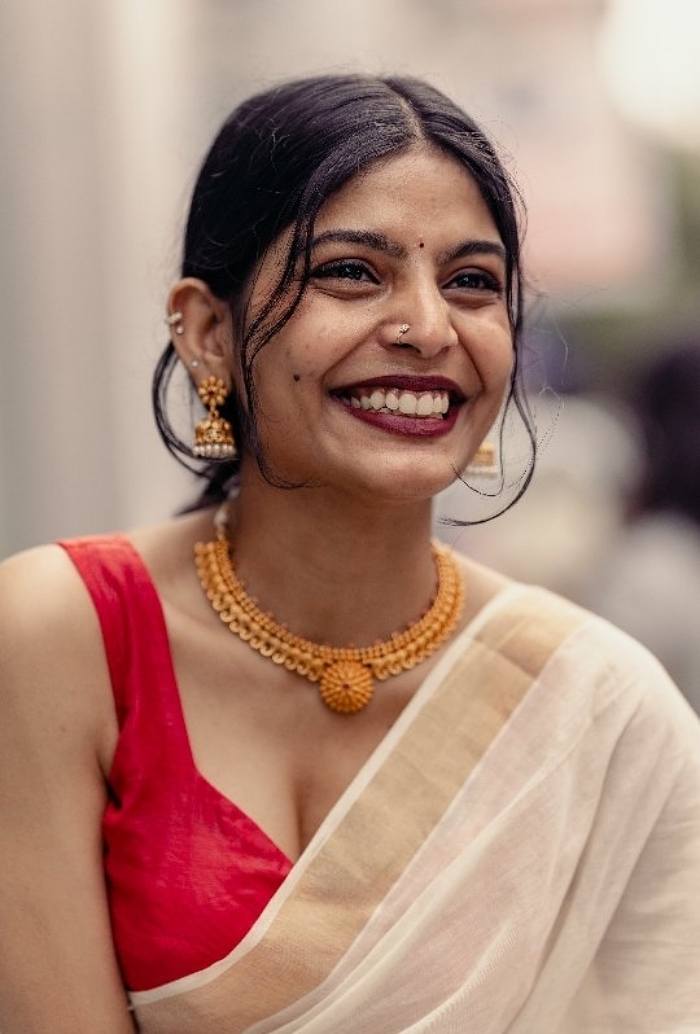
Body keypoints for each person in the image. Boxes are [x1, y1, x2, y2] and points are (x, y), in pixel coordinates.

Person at [0, 74, 698, 1034]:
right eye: (352, 273)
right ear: (208, 332)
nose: (428, 328)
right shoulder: (62, 633)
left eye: (472, 282)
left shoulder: (596, 704)